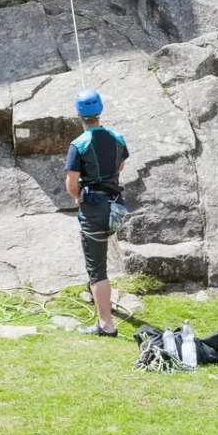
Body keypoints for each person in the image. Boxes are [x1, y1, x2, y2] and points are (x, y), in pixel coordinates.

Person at [64, 89, 129, 337]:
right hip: (115, 205)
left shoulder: (78, 145)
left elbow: (72, 183)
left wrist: (79, 198)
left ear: (79, 114)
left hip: (94, 208)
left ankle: (106, 325)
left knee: (97, 270)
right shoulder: (117, 138)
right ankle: (100, 302)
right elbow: (120, 165)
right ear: (100, 111)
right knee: (98, 263)